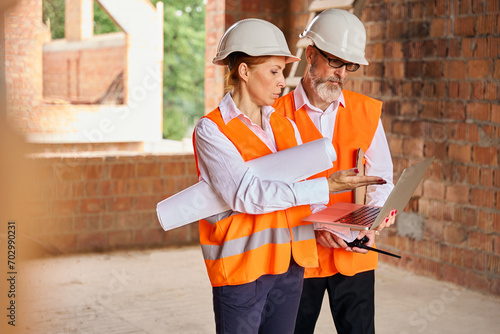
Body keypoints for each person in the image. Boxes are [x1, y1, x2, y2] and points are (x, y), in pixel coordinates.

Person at [193, 18, 387, 334]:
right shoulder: (213, 129)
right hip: (242, 269)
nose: (283, 82)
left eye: (283, 72)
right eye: (274, 72)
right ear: (244, 72)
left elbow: (299, 192)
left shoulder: (285, 127)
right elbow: (248, 194)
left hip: (290, 265)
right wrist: (326, 187)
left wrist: (355, 223)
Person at [273, 9, 396, 334]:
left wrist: (373, 220)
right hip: (298, 254)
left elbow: (382, 175)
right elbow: (268, 187)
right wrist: (314, 225)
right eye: (334, 62)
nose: (341, 73)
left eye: (349, 65)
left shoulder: (366, 112)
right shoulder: (275, 116)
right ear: (310, 54)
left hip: (354, 250)